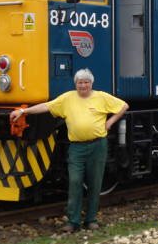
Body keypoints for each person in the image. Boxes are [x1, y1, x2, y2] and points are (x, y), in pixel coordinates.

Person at [10, 68, 129, 233]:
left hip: (97, 146)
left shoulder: (101, 97)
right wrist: (23, 111)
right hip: (77, 148)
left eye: (86, 82)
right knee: (75, 181)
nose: (83, 86)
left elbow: (124, 106)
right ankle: (73, 221)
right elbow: (47, 106)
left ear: (91, 84)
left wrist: (110, 122)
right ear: (76, 84)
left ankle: (91, 219)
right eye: (80, 83)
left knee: (95, 183)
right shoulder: (68, 98)